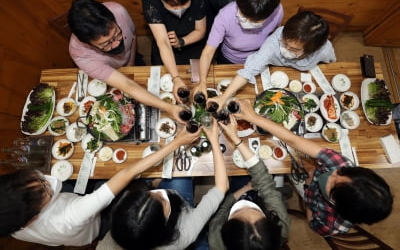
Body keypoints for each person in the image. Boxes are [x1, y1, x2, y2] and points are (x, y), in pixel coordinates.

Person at [0, 127, 200, 246]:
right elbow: (125, 174)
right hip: (96, 225)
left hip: (71, 208)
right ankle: (149, 183)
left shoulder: (9, 219)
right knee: (128, 192)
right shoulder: (69, 218)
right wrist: (176, 143)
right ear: (33, 216)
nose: (47, 181)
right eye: (44, 189)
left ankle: (149, 182)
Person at [232, 99, 393, 237]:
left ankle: (287, 188)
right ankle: (285, 187)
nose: (332, 172)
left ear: (337, 204)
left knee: (279, 174)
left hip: (308, 194)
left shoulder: (332, 225)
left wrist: (308, 193)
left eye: (333, 183)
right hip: (309, 178)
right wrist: (253, 117)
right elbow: (293, 140)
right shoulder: (343, 165)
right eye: (340, 172)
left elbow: (311, 222)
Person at [96, 118, 229, 250]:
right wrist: (214, 141)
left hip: (169, 200)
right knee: (182, 169)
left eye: (147, 194)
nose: (161, 191)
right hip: (182, 204)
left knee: (165, 167)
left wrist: (176, 143)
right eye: (162, 200)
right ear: (163, 222)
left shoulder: (125, 212)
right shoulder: (185, 232)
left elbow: (128, 173)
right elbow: (222, 187)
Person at [68, 0, 184, 122]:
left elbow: (132, 36)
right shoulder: (80, 53)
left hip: (131, 60)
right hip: (112, 74)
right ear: (88, 44)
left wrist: (131, 63)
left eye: (117, 33)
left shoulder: (118, 11)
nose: (117, 43)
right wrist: (169, 108)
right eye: (106, 44)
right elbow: (127, 85)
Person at [210, 11, 336, 110]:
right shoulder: (274, 42)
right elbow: (249, 70)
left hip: (298, 82)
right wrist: (223, 97)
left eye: (293, 49)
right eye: (284, 42)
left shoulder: (323, 49)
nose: (285, 49)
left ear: (311, 50)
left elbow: (331, 65)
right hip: (273, 76)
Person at [194, 0, 283, 99]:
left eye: (255, 21)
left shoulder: (277, 12)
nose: (248, 23)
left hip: (258, 59)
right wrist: (202, 82)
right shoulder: (225, 15)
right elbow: (208, 52)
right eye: (244, 16)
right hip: (229, 60)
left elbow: (273, 37)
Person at [208, 115, 290, 250]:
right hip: (258, 197)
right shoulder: (280, 226)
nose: (244, 204)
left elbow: (222, 211)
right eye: (253, 209)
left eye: (237, 211)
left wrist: (239, 193)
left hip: (233, 198)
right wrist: (236, 139)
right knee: (247, 175)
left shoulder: (216, 238)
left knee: (237, 177)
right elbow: (265, 183)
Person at [142, 0, 207, 102]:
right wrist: (176, 78)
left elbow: (200, 31)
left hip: (192, 43)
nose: (179, 8)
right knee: (165, 84)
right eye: (173, 5)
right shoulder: (151, 0)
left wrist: (182, 41)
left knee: (196, 81)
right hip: (165, 48)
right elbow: (163, 42)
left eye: (184, 3)